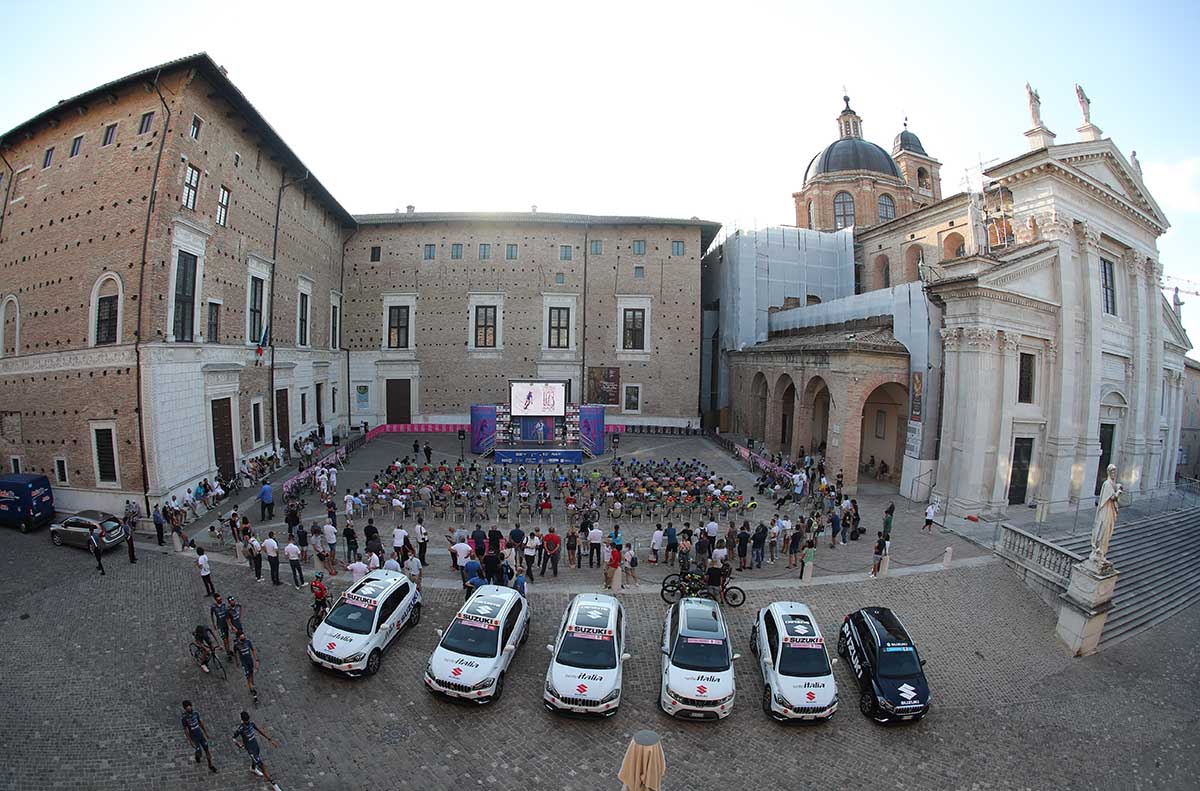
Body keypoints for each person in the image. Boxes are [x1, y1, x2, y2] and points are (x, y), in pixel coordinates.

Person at [231, 710, 281, 788]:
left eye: (248, 720)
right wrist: (239, 744)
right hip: (250, 749)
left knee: (255, 759)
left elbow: (259, 731)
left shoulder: (251, 724)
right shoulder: (240, 729)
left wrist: (269, 739)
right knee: (262, 765)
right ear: (242, 720)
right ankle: (274, 785)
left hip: (255, 745)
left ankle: (253, 768)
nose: (248, 722)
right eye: (246, 721)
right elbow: (233, 738)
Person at [180, 701, 217, 774]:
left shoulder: (196, 713)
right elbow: (186, 730)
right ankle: (197, 755)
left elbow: (200, 722)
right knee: (199, 752)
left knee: (206, 749)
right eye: (187, 709)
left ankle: (210, 765)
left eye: (190, 708)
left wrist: (205, 733)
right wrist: (190, 741)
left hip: (200, 735)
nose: (189, 709)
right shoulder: (184, 718)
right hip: (194, 737)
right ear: (185, 709)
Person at [233, 631, 260, 703]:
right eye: (242, 636)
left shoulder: (248, 641)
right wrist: (237, 661)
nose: (243, 637)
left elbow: (253, 650)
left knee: (251, 675)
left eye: (243, 636)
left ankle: (251, 685)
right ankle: (254, 694)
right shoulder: (236, 645)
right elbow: (235, 653)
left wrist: (256, 660)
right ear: (238, 637)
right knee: (248, 677)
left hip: (250, 662)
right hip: (244, 664)